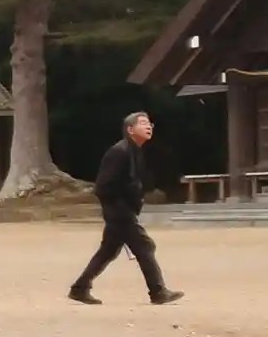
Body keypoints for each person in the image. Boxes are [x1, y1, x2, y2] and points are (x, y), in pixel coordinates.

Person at [71, 111, 184, 306]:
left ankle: (79, 288)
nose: (149, 126)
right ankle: (158, 292)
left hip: (122, 210)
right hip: (119, 212)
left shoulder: (134, 151)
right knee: (144, 246)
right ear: (130, 129)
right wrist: (120, 207)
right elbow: (103, 186)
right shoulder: (119, 152)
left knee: (108, 251)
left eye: (149, 123)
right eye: (143, 123)